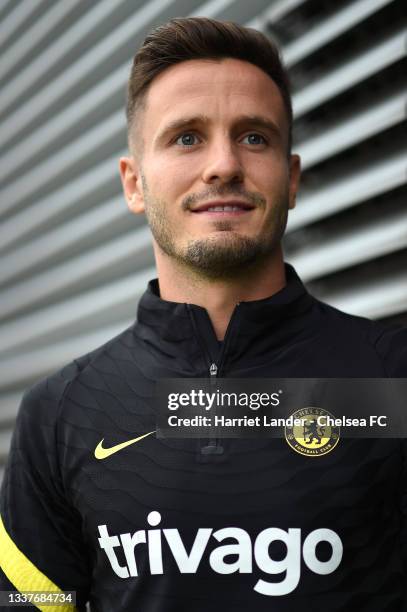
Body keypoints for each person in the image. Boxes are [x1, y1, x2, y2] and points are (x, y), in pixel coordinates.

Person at [0, 17, 406, 612]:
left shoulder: (392, 380)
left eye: (254, 137)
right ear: (134, 183)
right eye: (187, 137)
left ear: (290, 179)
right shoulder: (59, 415)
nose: (223, 165)